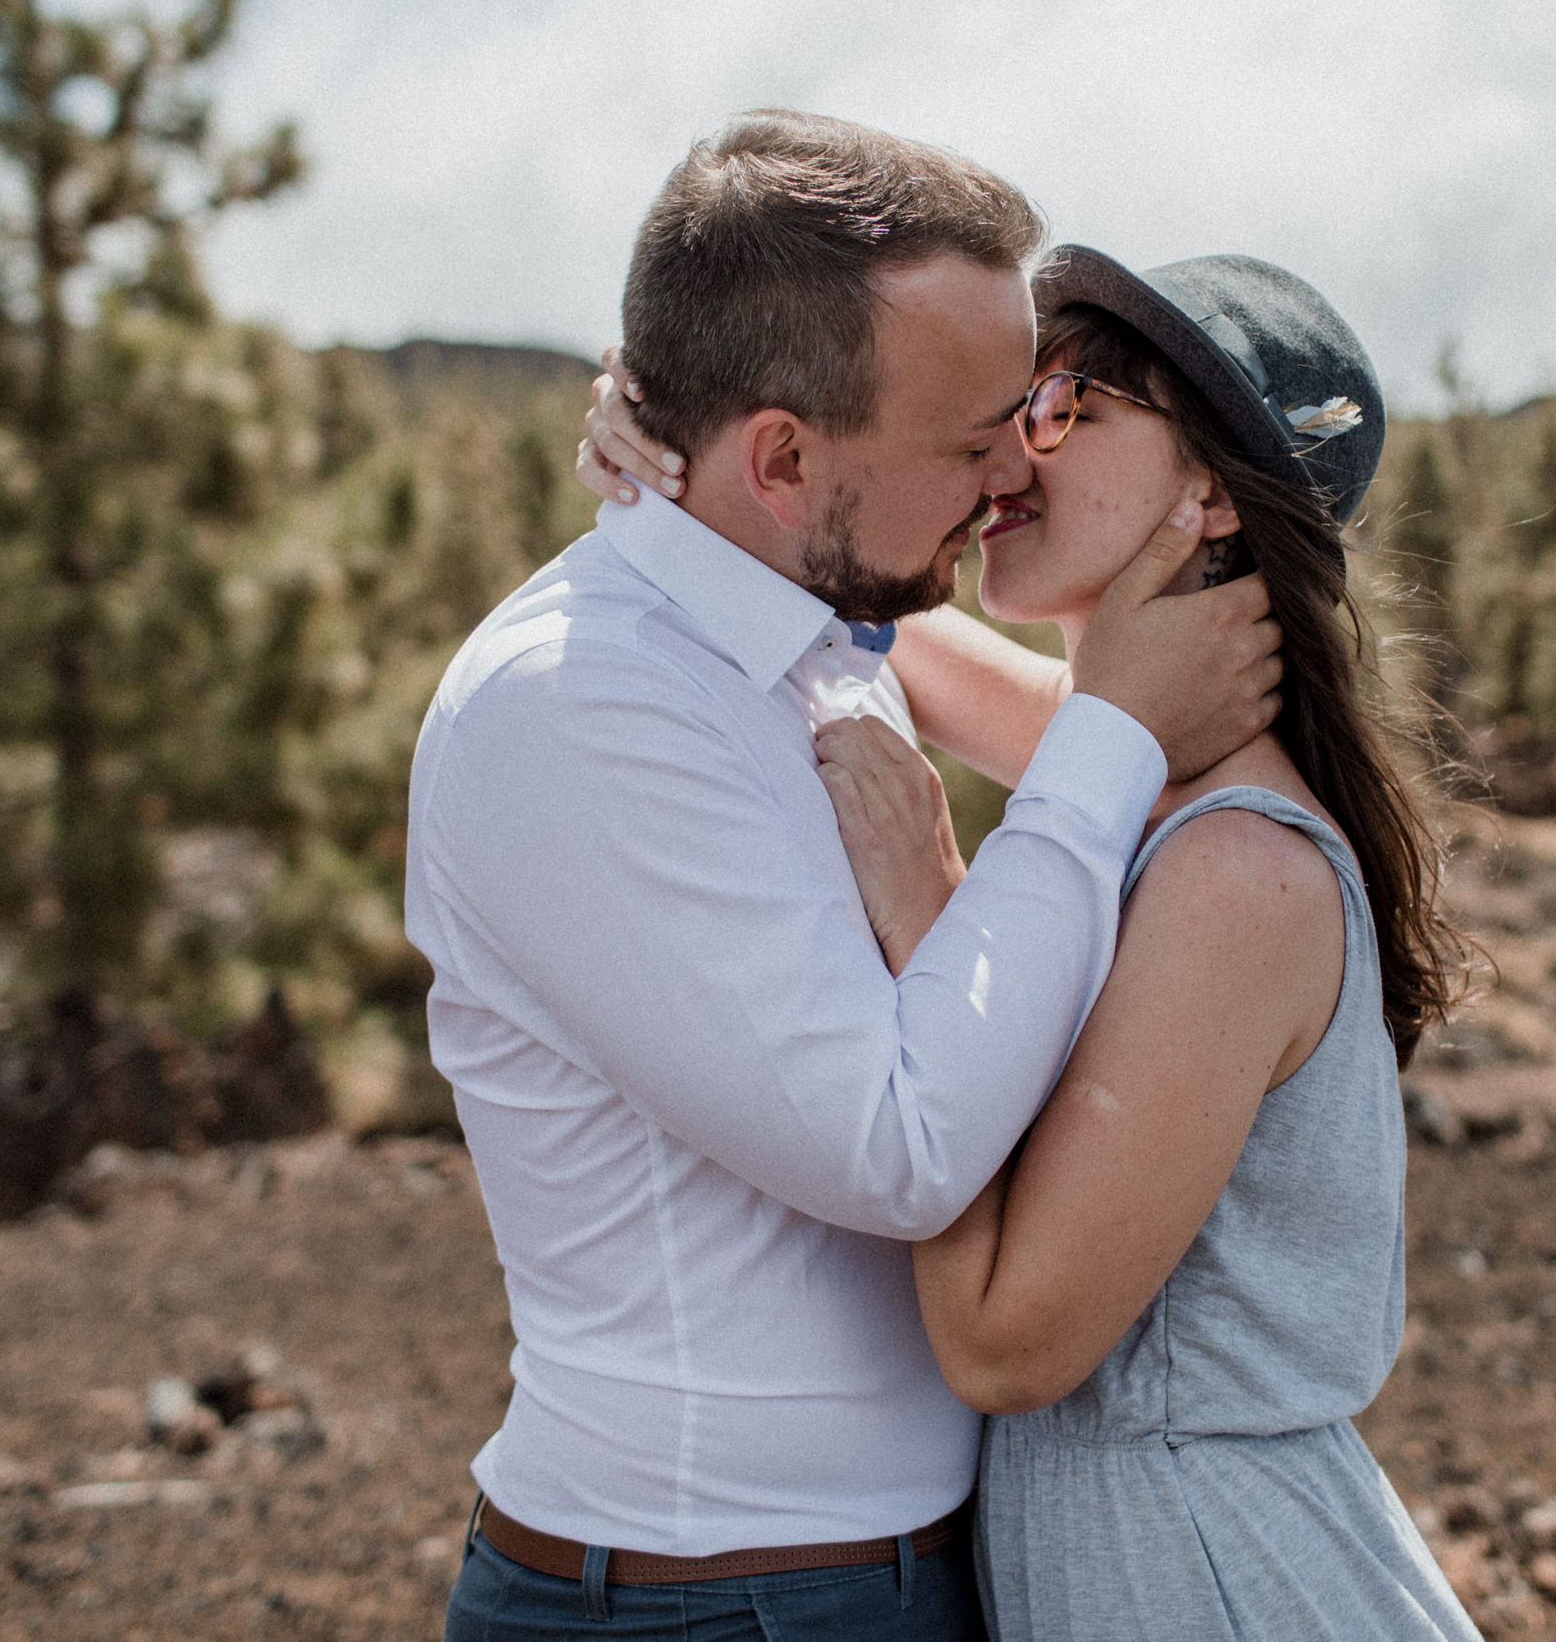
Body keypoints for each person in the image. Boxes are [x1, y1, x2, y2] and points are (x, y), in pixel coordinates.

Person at [411, 112, 1284, 1642]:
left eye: (1031, 415)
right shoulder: (574, 708)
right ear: (785, 454)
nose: (1018, 467)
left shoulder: (812, 609)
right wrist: (1106, 743)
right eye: (971, 442)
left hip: (862, 1577)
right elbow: (901, 1147)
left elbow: (1105, 751)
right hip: (711, 1602)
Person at [585, 244, 1485, 1640]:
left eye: (1072, 410)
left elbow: (1007, 1342)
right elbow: (871, 620)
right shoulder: (1137, 763)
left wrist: (926, 916)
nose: (1014, 452)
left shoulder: (1237, 870)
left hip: (1204, 1576)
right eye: (1021, 403)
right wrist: (681, 459)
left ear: (1206, 498)